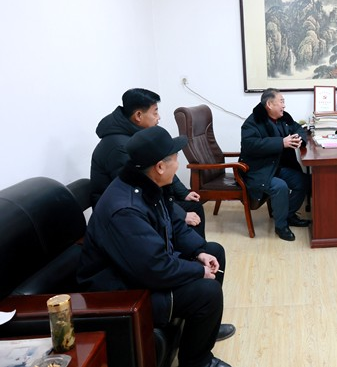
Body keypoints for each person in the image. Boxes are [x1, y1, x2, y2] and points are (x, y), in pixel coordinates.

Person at [78, 126, 233, 367]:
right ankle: (197, 362)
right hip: (122, 291)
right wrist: (198, 270)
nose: (178, 165)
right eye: (175, 159)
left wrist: (198, 252)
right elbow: (155, 268)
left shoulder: (148, 185)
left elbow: (174, 224)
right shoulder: (126, 210)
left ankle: (203, 329)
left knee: (213, 252)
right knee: (207, 293)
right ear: (160, 166)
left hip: (140, 272)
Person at [90, 88, 206, 238]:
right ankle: (188, 251)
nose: (159, 117)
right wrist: (181, 214)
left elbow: (164, 164)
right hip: (120, 213)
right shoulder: (120, 147)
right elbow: (141, 186)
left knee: (194, 206)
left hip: (140, 198)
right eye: (155, 112)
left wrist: (183, 193)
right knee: (191, 212)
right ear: (138, 115)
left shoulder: (139, 135)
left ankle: (196, 249)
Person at [240, 88, 311, 241]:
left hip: (277, 166)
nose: (284, 105)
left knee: (303, 181)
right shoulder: (252, 123)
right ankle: (281, 226)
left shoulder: (283, 117)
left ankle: (288, 215)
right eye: (281, 102)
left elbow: (298, 128)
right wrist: (281, 142)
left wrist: (299, 139)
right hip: (259, 170)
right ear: (269, 104)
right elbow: (251, 145)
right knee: (280, 187)